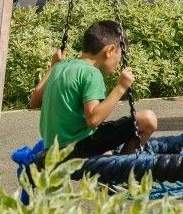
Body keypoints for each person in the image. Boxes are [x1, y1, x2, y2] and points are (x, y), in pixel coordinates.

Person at [29, 20, 157, 157]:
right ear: (110, 51)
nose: (117, 66)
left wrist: (53, 66)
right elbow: (93, 120)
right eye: (119, 59)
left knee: (105, 145)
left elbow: (34, 102)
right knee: (147, 119)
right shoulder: (91, 73)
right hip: (77, 148)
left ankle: (111, 158)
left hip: (52, 147)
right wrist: (121, 87)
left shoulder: (60, 66)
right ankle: (122, 164)